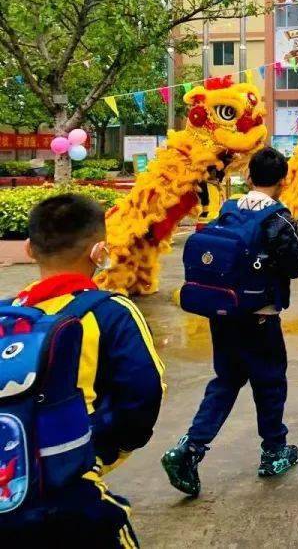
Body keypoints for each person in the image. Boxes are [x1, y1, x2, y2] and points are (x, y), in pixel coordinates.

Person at [2, 194, 164, 546]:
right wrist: (99, 454)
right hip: (73, 488)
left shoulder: (7, 316)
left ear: (29, 249)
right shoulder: (111, 312)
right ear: (99, 252)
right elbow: (144, 392)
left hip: (9, 484)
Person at [162, 147, 298, 497]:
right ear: (283, 181)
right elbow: (297, 267)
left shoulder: (228, 210)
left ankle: (189, 449)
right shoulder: (278, 219)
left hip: (222, 313)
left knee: (226, 381)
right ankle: (274, 451)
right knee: (270, 382)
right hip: (260, 317)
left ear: (248, 177)